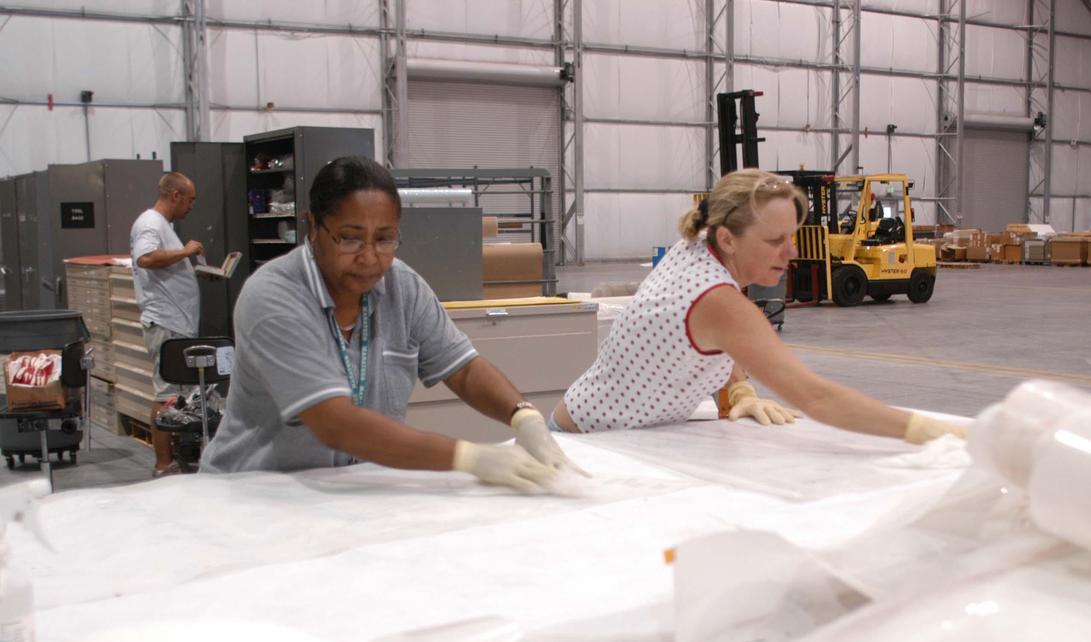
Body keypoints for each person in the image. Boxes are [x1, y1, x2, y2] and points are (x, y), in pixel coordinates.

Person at [201, 156, 580, 493]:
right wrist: (469, 458)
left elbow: (463, 369)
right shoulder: (274, 298)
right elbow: (336, 424)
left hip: (350, 491)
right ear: (314, 226)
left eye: (385, 239)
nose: (369, 258)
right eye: (350, 240)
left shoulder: (402, 286)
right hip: (256, 493)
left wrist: (523, 415)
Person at [551, 168, 966, 445]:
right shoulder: (719, 301)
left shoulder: (697, 245)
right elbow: (817, 398)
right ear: (729, 238)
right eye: (773, 241)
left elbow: (705, 338)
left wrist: (738, 388)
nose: (790, 252)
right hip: (593, 445)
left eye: (792, 236)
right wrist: (925, 430)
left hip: (605, 427)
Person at [130, 172, 203, 478]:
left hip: (177, 323)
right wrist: (186, 251)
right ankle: (163, 464)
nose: (191, 206)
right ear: (176, 195)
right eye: (190, 199)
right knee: (166, 394)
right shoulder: (150, 223)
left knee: (178, 395)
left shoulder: (164, 227)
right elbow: (145, 259)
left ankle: (178, 457)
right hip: (165, 322)